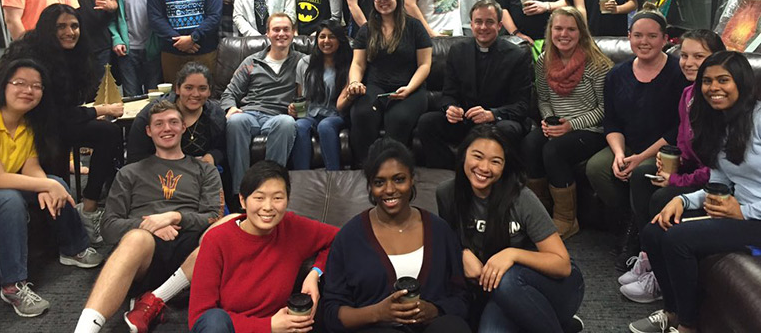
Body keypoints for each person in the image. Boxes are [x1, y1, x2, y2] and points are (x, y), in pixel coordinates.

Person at [629, 51, 761, 333]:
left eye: (723, 80)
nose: (714, 88)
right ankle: (673, 311)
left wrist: (744, 211)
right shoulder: (720, 123)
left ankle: (688, 326)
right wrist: (683, 199)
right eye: (707, 81)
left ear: (742, 81)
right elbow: (719, 179)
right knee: (655, 230)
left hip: (755, 218)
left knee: (679, 239)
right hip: (738, 211)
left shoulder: (759, 119)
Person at [72, 100, 223, 333]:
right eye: (159, 124)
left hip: (193, 251)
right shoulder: (129, 172)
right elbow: (109, 227)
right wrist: (150, 226)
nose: (167, 128)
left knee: (228, 225)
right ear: (148, 131)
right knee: (136, 238)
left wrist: (174, 217)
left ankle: (153, 300)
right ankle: (84, 330)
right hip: (144, 253)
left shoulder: (205, 169)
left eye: (173, 122)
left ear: (183, 127)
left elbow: (213, 216)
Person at [0, 58, 102, 318]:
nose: (29, 90)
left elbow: (31, 168)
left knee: (57, 183)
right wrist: (44, 184)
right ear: (3, 85)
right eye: (20, 83)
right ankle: (12, 286)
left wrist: (47, 185)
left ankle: (74, 248)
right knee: (9, 199)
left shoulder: (26, 125)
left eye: (36, 86)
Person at [437, 125, 585, 333]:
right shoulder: (447, 193)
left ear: (505, 166)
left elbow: (562, 265)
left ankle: (554, 321)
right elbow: (446, 242)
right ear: (463, 155)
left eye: (495, 161)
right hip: (495, 293)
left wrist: (512, 254)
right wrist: (461, 253)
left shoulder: (521, 198)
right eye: (477, 156)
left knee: (506, 279)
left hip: (554, 286)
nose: (484, 167)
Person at [0, 4, 124, 245]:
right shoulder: (31, 58)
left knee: (108, 132)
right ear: (48, 29)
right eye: (62, 26)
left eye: (74, 26)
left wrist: (88, 114)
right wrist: (99, 110)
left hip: (59, 123)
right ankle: (57, 229)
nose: (70, 31)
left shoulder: (76, 54)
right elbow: (52, 115)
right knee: (56, 144)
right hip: (33, 128)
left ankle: (88, 210)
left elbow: (67, 111)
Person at [322, 138, 471, 333]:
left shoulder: (440, 230)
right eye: (379, 182)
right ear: (370, 186)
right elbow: (331, 313)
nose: (390, 189)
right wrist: (377, 313)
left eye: (399, 179)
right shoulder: (349, 237)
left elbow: (462, 297)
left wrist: (434, 309)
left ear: (412, 179)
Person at [620, 29, 725, 303]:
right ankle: (648, 255)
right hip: (693, 171)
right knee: (643, 174)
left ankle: (660, 274)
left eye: (699, 56)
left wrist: (676, 180)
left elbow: (719, 169)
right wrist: (670, 161)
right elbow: (682, 142)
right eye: (685, 55)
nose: (688, 63)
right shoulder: (688, 93)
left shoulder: (719, 101)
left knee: (664, 196)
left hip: (716, 181)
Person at [585, 8, 688, 268]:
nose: (644, 42)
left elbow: (678, 127)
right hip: (628, 144)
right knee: (597, 167)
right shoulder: (617, 74)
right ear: (628, 36)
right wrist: (619, 154)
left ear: (665, 39)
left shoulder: (678, 73)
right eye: (638, 35)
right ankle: (628, 222)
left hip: (665, 149)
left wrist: (641, 157)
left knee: (642, 172)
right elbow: (612, 122)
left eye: (652, 36)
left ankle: (637, 238)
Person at [189, 160, 339, 332]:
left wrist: (315, 273)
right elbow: (200, 317)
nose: (268, 207)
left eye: (277, 198)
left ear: (287, 201)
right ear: (243, 201)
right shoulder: (217, 240)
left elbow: (341, 239)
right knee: (215, 319)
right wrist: (268, 326)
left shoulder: (292, 227)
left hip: (283, 329)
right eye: (259, 198)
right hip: (232, 329)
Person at [520, 6, 613, 239]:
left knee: (554, 150)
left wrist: (570, 125)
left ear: (581, 32)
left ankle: (566, 219)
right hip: (558, 125)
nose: (564, 34)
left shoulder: (597, 64)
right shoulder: (543, 61)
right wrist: (549, 122)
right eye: (558, 28)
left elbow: (605, 110)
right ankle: (539, 211)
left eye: (571, 29)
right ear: (550, 31)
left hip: (591, 129)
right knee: (531, 143)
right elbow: (543, 98)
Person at [414, 0, 531, 170]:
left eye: (489, 22)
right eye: (478, 22)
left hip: (497, 121)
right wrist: (451, 108)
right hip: (466, 120)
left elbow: (522, 105)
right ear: (471, 24)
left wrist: (492, 114)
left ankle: (497, 178)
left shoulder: (517, 56)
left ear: (499, 26)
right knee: (427, 122)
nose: (483, 27)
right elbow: (448, 94)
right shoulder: (458, 50)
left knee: (508, 129)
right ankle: (449, 172)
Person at [346, 0, 432, 166]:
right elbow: (358, 64)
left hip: (411, 89)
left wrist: (409, 88)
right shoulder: (366, 29)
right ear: (373, 1)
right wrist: (354, 83)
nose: (383, 0)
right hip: (376, 87)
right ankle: (365, 168)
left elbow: (424, 64)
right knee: (361, 114)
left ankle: (395, 169)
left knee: (397, 119)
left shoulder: (415, 27)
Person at [221, 14, 299, 198]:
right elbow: (229, 92)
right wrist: (230, 108)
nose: (281, 34)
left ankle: (271, 188)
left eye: (286, 29)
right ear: (267, 34)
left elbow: (312, 93)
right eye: (276, 30)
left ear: (293, 33)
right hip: (250, 113)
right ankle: (240, 193)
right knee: (235, 121)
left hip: (278, 115)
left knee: (287, 123)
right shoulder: (251, 62)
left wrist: (299, 107)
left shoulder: (302, 61)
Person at [127, 62, 226, 170]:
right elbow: (135, 156)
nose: (195, 94)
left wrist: (211, 157)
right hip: (157, 173)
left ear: (209, 92)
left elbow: (222, 149)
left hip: (200, 174)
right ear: (178, 89)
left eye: (202, 88)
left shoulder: (216, 115)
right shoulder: (152, 113)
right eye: (189, 88)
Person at [290, 20, 352, 171]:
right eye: (322, 37)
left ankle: (333, 175)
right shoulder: (304, 63)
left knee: (325, 126)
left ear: (339, 40)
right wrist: (294, 109)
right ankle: (301, 178)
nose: (326, 41)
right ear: (316, 40)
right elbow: (301, 96)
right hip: (311, 113)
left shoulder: (349, 64)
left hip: (337, 114)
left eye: (331, 37)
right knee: (299, 126)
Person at [109, 0, 162, 97]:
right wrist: (116, 38)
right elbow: (112, 17)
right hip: (127, 50)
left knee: (154, 95)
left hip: (153, 49)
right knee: (131, 96)